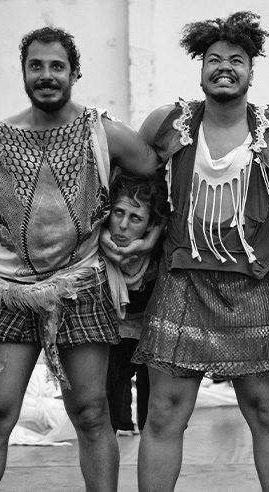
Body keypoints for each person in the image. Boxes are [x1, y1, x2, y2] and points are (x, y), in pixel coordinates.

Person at [0, 26, 159, 491]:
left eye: (57, 66)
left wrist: (147, 239)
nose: (46, 75)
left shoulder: (102, 132)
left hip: (82, 287)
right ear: (24, 72)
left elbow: (157, 174)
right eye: (37, 65)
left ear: (74, 73)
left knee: (93, 414)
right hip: (5, 294)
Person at [131, 12, 269, 491]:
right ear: (200, 68)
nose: (224, 67)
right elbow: (131, 183)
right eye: (214, 60)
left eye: (237, 59)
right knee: (165, 412)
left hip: (255, 286)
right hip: (182, 284)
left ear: (253, 70)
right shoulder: (168, 124)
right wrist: (135, 235)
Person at [101, 173, 167, 434]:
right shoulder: (93, 248)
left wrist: (149, 243)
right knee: (108, 408)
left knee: (154, 416)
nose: (123, 225)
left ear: (151, 225)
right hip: (112, 329)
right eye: (118, 213)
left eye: (135, 218)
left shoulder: (160, 255)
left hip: (151, 331)